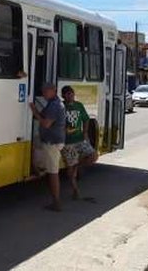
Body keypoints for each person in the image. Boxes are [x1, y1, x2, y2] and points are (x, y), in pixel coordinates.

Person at [29, 83, 66, 211]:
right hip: (49, 140)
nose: (44, 94)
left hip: (52, 143)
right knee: (33, 147)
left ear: (53, 91)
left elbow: (46, 123)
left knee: (53, 173)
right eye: (43, 91)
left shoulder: (54, 105)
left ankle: (56, 202)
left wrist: (34, 111)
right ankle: (39, 170)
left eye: (45, 91)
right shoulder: (52, 103)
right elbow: (42, 116)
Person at [60, 85, 98, 201]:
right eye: (67, 94)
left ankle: (78, 166)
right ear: (63, 96)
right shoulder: (61, 107)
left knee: (93, 156)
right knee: (70, 168)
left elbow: (86, 119)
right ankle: (75, 190)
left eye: (71, 94)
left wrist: (85, 133)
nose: (70, 96)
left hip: (80, 139)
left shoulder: (79, 105)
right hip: (68, 142)